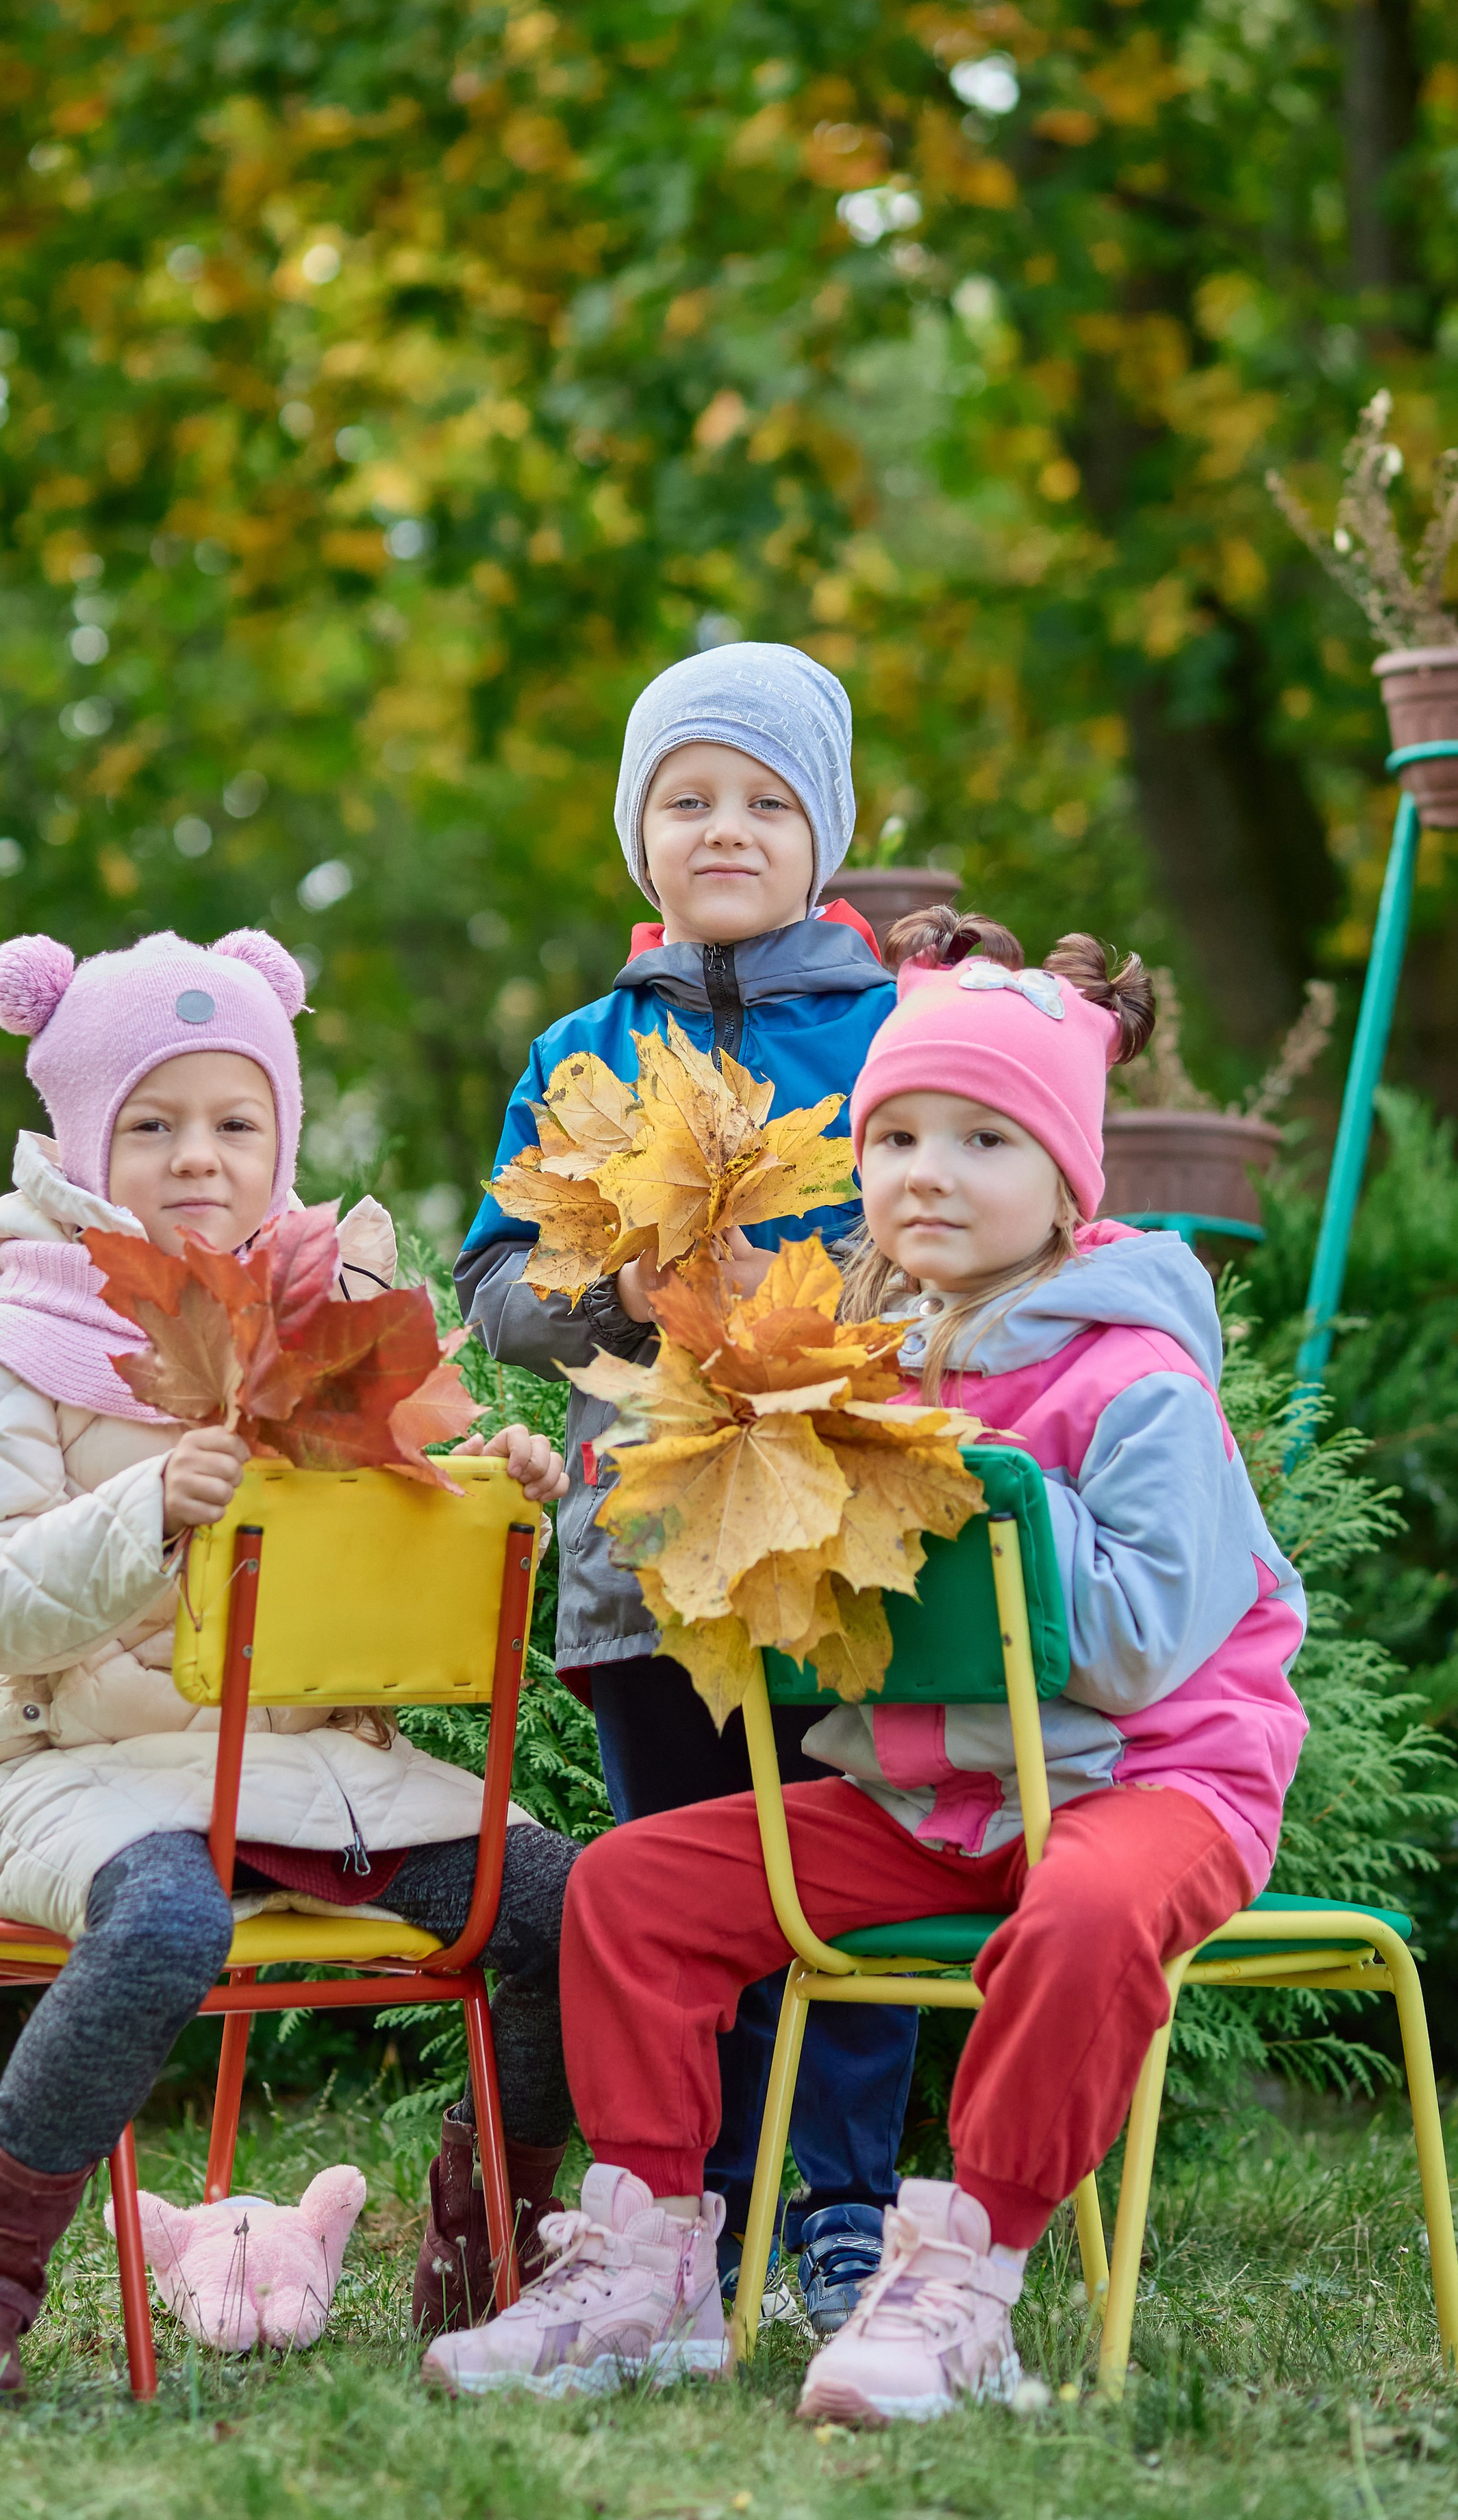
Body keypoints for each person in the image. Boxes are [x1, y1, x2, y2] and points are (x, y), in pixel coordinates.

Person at [423, 909, 1309, 2415]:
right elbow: (794, 1634)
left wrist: (974, 1502)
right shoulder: (855, 1368)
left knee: (1082, 1922)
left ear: (1062, 1180)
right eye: (894, 1137)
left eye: (981, 1142)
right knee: (631, 1892)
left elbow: (1147, 1640)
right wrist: (697, 1499)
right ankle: (652, 2270)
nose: (928, 1174)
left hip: (1148, 1784)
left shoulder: (1133, 1376)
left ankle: (964, 2274)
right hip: (938, 1798)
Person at [0, 927, 574, 2396]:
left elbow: (391, 1529)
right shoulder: (17, 1340)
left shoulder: (327, 1329)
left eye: (233, 1122)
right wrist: (145, 1508)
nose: (195, 1157)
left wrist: (486, 1493)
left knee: (570, 1909)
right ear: (84, 1138)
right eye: (150, 1124)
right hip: (60, 1761)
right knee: (162, 1924)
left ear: (281, 1137)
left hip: (304, 1768)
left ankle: (490, 2245)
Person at [455, 643, 933, 2334]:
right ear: (636, 837)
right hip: (638, 1545)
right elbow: (493, 1279)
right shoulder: (585, 1051)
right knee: (674, 1867)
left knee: (845, 1863)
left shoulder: (893, 1036)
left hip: (841, 1534)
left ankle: (846, 2209)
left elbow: (958, 1230)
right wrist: (608, 1301)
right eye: (686, 799)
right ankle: (694, 2213)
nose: (721, 829)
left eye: (761, 801)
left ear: (824, 836)